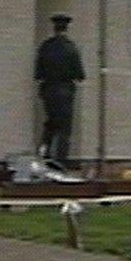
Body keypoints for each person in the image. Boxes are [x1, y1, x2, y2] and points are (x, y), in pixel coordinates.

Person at [34, 14, 85, 171]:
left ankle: (44, 155)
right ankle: (61, 161)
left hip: (48, 90)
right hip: (65, 91)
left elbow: (38, 74)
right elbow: (80, 75)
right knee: (64, 128)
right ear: (66, 28)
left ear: (54, 28)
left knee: (50, 124)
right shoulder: (71, 48)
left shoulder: (45, 47)